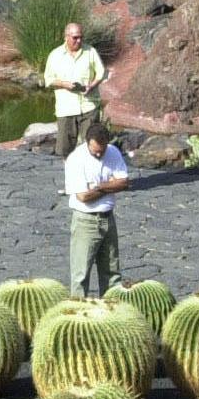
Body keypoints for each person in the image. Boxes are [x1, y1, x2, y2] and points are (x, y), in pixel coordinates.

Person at [65, 122, 128, 298]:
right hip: (86, 220)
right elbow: (83, 197)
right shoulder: (76, 159)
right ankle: (78, 315)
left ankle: (111, 309)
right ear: (87, 143)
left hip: (108, 218)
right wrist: (110, 186)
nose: (100, 154)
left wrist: (98, 187)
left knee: (112, 271)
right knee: (81, 274)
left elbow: (124, 182)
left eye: (102, 150)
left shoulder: (113, 152)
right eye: (95, 151)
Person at [43, 22, 107, 158]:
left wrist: (93, 85)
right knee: (64, 148)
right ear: (66, 37)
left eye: (81, 37)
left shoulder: (90, 51)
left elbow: (101, 72)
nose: (79, 41)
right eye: (75, 38)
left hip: (89, 106)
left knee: (90, 146)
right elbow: (48, 80)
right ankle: (69, 175)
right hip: (66, 108)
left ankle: (90, 177)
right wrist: (64, 84)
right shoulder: (55, 55)